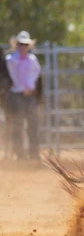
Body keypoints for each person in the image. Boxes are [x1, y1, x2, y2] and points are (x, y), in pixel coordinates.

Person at [5, 31, 41, 160]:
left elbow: (37, 73)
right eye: (21, 44)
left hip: (29, 95)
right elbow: (8, 76)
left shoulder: (32, 60)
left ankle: (34, 154)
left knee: (33, 124)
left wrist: (30, 86)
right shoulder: (10, 60)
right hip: (16, 95)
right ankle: (20, 155)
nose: (23, 47)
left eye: (25, 44)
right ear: (17, 45)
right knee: (18, 124)